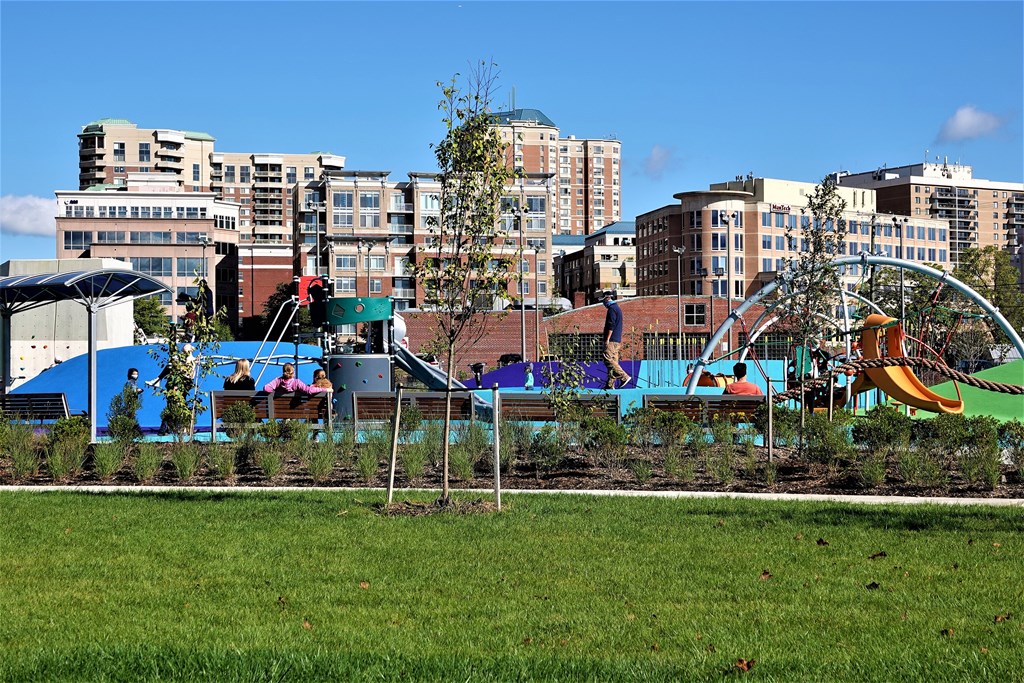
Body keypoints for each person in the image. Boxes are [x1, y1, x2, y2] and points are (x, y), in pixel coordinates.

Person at [601, 290, 631, 389]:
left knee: (608, 358)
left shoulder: (612, 309)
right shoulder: (617, 308)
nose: (603, 303)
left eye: (603, 300)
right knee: (614, 362)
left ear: (607, 298)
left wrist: (607, 339)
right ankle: (610, 385)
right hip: (617, 340)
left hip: (612, 340)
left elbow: (611, 325)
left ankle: (623, 376)